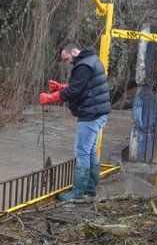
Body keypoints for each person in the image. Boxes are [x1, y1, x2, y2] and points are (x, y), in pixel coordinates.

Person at [39, 42, 111, 201]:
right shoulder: (92, 59)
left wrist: (50, 97)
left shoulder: (83, 65)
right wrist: (59, 87)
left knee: (82, 152)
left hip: (91, 114)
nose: (68, 62)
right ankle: (90, 190)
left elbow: (74, 91)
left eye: (67, 59)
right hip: (98, 112)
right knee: (90, 151)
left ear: (73, 51)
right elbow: (82, 85)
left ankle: (77, 193)